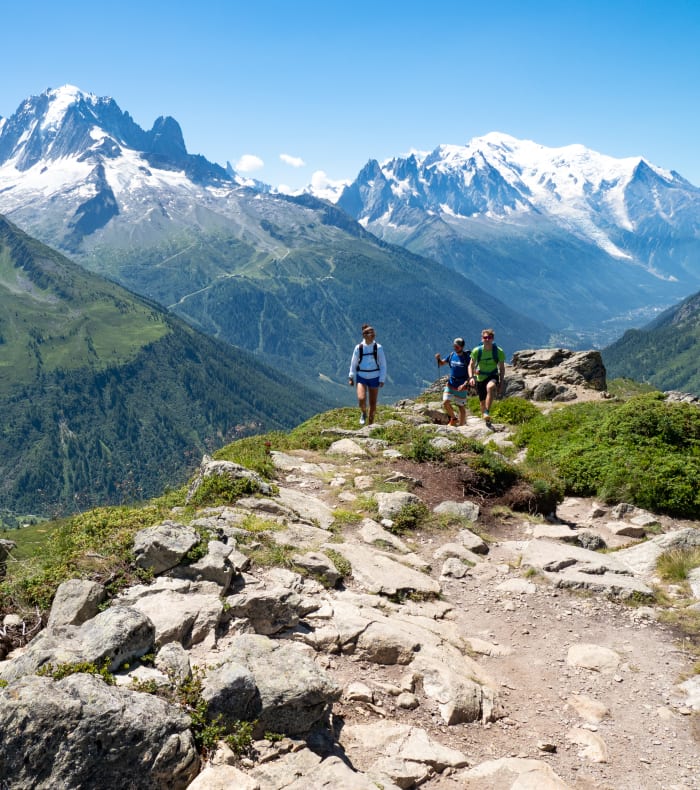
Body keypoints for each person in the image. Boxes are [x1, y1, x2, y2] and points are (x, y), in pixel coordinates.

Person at [348, 324, 387, 425]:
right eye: (371, 333)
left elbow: (383, 364)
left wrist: (382, 379)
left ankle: (370, 423)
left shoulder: (378, 348)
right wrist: (351, 377)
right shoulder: (359, 348)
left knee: (373, 403)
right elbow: (353, 363)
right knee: (361, 399)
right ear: (364, 335)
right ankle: (363, 412)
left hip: (375, 376)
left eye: (374, 333)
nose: (373, 335)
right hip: (361, 376)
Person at [468, 328, 506, 424]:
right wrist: (471, 377)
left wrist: (501, 382)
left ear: (493, 338)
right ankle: (486, 418)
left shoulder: (498, 351)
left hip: (493, 375)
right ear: (482, 339)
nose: (487, 339)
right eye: (485, 337)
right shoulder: (477, 351)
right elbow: (471, 365)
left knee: (490, 388)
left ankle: (487, 411)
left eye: (490, 337)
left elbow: (501, 368)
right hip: (480, 377)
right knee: (482, 402)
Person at [435, 337, 470, 426]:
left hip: (462, 386)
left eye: (457, 347)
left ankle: (462, 426)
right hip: (451, 383)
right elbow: (441, 363)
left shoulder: (467, 358)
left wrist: (465, 384)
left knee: (460, 406)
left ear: (462, 347)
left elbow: (471, 373)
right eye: (454, 346)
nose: (455, 348)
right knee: (445, 402)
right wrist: (438, 359)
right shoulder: (451, 355)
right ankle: (454, 418)